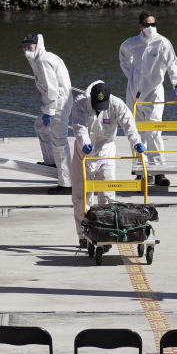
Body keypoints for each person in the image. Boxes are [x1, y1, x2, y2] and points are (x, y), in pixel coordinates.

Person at [70, 80, 146, 245]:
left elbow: (129, 124)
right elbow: (79, 125)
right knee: (81, 197)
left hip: (106, 153)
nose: (99, 109)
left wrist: (136, 143)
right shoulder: (80, 103)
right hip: (83, 154)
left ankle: (105, 234)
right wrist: (84, 143)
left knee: (107, 196)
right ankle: (83, 235)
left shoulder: (116, 104)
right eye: (97, 105)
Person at [118, 12, 177, 187]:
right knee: (137, 131)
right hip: (134, 93)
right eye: (147, 24)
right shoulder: (131, 43)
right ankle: (142, 170)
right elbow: (123, 59)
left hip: (154, 92)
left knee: (154, 130)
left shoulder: (162, 42)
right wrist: (130, 75)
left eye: (153, 24)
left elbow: (172, 64)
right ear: (140, 26)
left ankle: (158, 171)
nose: (151, 28)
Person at [21, 34, 73, 194]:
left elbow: (51, 89)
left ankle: (67, 184)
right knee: (40, 127)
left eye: (29, 47)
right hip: (55, 102)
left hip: (58, 103)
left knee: (59, 141)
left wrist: (49, 111)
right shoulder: (40, 58)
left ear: (38, 45)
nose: (26, 51)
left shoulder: (44, 60)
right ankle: (50, 162)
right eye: (24, 48)